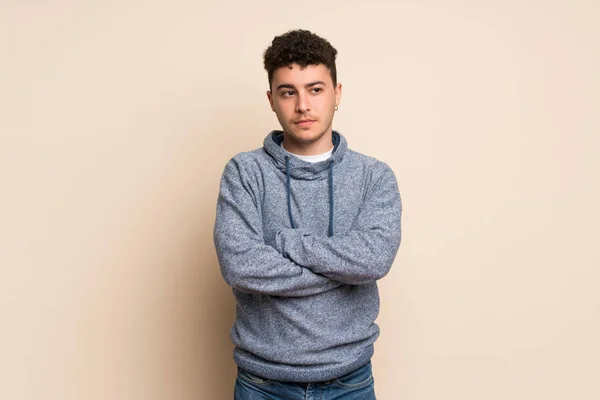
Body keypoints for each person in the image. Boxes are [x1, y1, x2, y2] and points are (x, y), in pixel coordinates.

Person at [213, 29, 402, 400]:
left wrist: (290, 244)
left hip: (350, 381)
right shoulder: (244, 173)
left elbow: (375, 258)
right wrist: (342, 271)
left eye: (315, 89)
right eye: (288, 92)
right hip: (262, 384)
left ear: (337, 94)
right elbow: (239, 264)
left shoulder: (373, 177)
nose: (303, 105)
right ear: (271, 99)